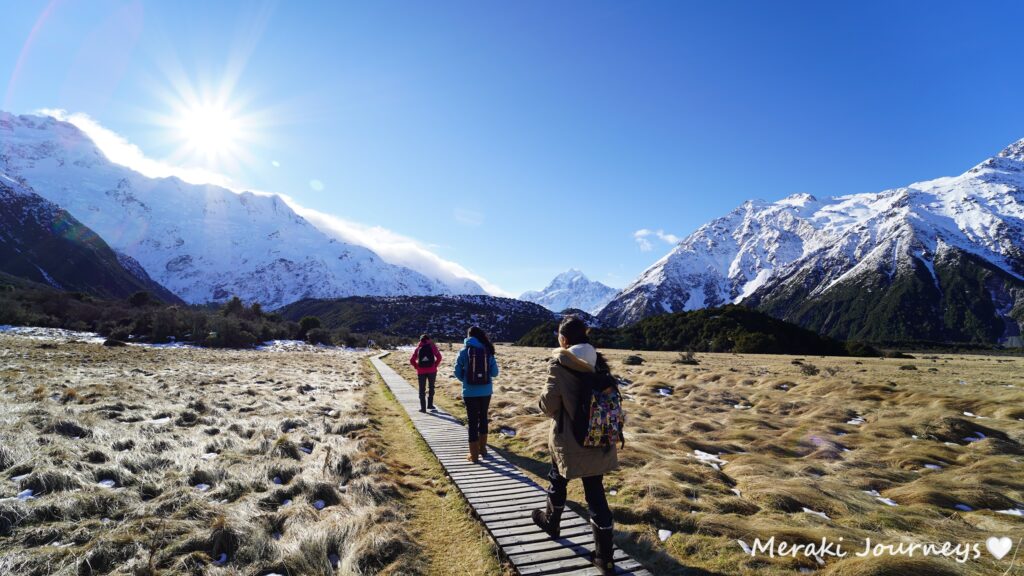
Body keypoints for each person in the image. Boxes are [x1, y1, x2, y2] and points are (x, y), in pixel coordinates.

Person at [532, 316, 619, 575]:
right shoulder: (600, 364)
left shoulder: (560, 365)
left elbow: (549, 405)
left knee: (557, 478)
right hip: (599, 437)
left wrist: (540, 402)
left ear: (564, 339)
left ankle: (551, 522)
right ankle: (605, 559)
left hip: (570, 439)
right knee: (595, 493)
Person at [453, 326, 498, 463]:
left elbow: (457, 371)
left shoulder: (463, 352)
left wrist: (466, 381)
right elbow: (495, 373)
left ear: (468, 336)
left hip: (469, 392)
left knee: (472, 422)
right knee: (483, 418)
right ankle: (483, 450)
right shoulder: (487, 351)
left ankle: (474, 456)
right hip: (485, 392)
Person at [409, 334, 442, 413]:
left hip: (421, 371)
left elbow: (411, 360)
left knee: (422, 389)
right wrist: (434, 365)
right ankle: (430, 405)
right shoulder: (432, 346)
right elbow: (439, 357)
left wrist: (417, 367)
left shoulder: (418, 348)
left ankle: (423, 408)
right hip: (432, 371)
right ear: (429, 339)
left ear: (420, 340)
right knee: (431, 387)